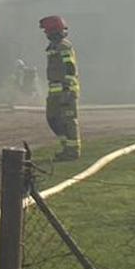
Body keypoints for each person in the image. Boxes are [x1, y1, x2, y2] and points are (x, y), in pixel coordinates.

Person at [40, 15, 80, 160]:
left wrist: (67, 89)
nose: (46, 34)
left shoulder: (64, 46)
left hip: (66, 90)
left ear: (54, 31)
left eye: (47, 31)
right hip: (54, 90)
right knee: (52, 118)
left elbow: (70, 68)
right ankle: (66, 146)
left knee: (68, 120)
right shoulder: (52, 47)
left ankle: (72, 151)